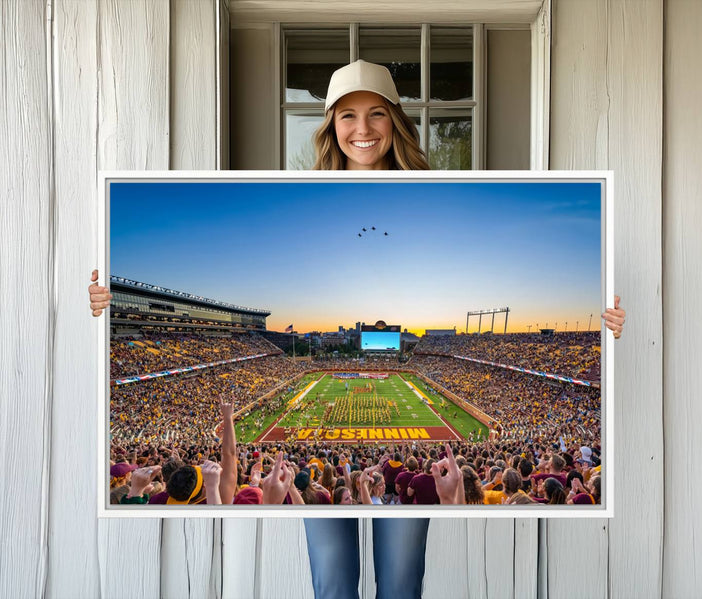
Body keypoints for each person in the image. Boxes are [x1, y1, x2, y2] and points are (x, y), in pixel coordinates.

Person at [88, 59, 627, 599]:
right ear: (330, 126)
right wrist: (104, 306)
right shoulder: (302, 189)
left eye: (376, 115)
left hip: (398, 484)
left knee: (399, 581)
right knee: (333, 581)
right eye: (347, 116)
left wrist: (608, 325)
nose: (362, 129)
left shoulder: (435, 189)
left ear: (395, 121)